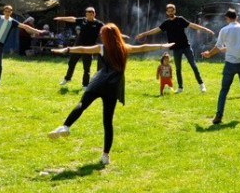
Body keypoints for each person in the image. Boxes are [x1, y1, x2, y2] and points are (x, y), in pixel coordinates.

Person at [48, 23, 173, 165]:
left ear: (106, 37)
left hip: (98, 82)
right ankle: (105, 156)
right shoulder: (125, 49)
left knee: (82, 104)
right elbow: (143, 47)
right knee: (107, 122)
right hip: (113, 87)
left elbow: (84, 49)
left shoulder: (102, 48)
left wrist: (68, 49)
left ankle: (66, 126)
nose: (101, 36)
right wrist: (163, 46)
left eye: (102, 35)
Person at [134, 4, 213, 93]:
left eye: (172, 11)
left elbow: (192, 25)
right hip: (176, 48)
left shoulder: (180, 19)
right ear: (167, 12)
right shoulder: (166, 23)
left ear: (174, 11)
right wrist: (144, 34)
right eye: (169, 11)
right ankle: (180, 88)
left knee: (193, 65)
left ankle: (202, 85)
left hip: (186, 46)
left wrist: (205, 29)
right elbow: (156, 30)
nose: (171, 12)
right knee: (178, 68)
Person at [202, 8, 240, 125]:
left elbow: (218, 46)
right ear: (237, 17)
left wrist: (209, 54)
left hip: (230, 63)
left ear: (227, 18)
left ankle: (219, 116)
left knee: (224, 90)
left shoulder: (224, 30)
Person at [55, 7, 104, 87]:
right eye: (88, 14)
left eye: (91, 14)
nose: (89, 16)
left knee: (86, 68)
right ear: (86, 14)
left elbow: (108, 30)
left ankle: (85, 85)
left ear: (94, 14)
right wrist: (61, 18)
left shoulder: (98, 24)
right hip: (77, 46)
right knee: (71, 63)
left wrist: (119, 35)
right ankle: (67, 78)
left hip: (88, 49)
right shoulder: (83, 20)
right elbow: (72, 19)